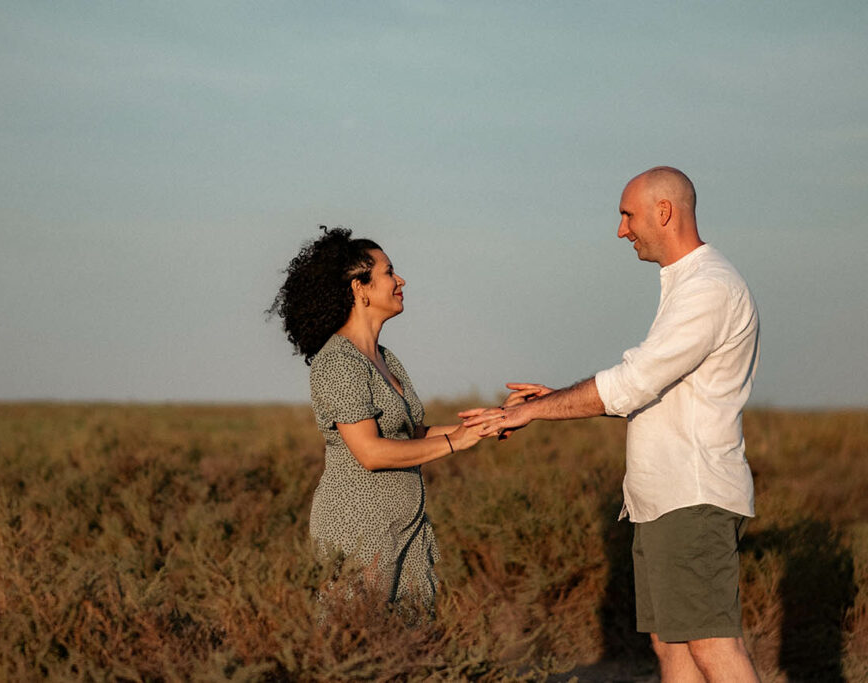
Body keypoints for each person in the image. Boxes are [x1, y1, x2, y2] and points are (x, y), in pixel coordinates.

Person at [462, 167, 761, 682]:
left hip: (692, 494)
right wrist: (554, 400)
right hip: (664, 499)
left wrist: (530, 410)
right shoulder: (686, 284)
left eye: (628, 216)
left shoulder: (709, 287)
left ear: (663, 212)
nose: (622, 231)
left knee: (713, 645)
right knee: (673, 648)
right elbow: (644, 386)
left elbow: (634, 382)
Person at [269, 226, 488, 611]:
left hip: (405, 525)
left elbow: (411, 434)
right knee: (356, 636)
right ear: (360, 288)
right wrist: (455, 442)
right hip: (359, 526)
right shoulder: (337, 362)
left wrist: (490, 422)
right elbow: (370, 452)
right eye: (389, 272)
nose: (400, 280)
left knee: (412, 634)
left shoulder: (386, 359)